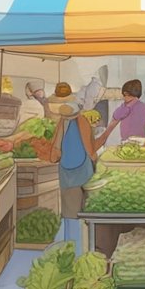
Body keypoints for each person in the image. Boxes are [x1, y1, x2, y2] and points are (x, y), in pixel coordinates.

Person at [49, 91, 102, 254]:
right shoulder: (77, 122)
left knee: (73, 213)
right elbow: (90, 147)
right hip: (77, 171)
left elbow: (57, 150)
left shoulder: (70, 123)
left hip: (75, 171)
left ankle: (75, 248)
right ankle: (76, 248)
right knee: (77, 213)